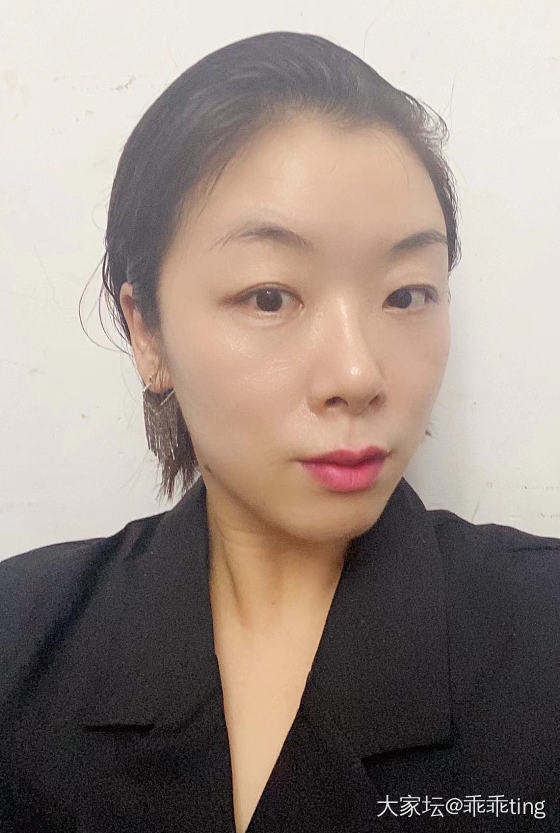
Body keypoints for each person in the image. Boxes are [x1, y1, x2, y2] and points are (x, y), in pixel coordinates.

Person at [1, 30, 559, 833]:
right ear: (147, 331)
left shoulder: (543, 635)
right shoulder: (20, 641)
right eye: (270, 297)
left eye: (407, 294)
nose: (358, 374)